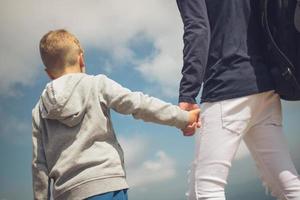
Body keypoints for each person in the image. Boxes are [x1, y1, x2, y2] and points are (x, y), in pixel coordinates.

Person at [32, 29, 200, 200]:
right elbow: (139, 104)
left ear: (48, 73)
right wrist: (184, 118)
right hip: (106, 185)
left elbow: (39, 164)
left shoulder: (39, 109)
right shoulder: (97, 84)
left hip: (66, 193)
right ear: (81, 58)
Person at [176, 0, 300, 199]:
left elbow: (197, 29)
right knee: (287, 186)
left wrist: (188, 94)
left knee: (206, 189)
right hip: (265, 90)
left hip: (226, 89)